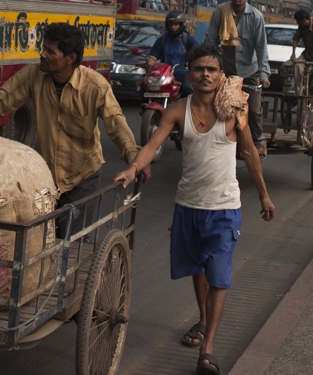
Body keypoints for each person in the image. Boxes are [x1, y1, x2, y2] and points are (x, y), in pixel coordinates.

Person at [113, 45, 275, 375]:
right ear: (188, 73)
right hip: (187, 206)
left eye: (212, 70)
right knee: (198, 269)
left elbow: (250, 154)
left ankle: (208, 349)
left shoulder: (233, 110)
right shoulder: (177, 110)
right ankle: (202, 319)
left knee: (218, 276)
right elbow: (153, 144)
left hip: (224, 208)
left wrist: (264, 196)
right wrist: (134, 168)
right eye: (198, 69)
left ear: (220, 75)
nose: (205, 74)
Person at [0, 22, 145, 220]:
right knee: (44, 239)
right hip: (46, 176)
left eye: (50, 51)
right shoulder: (34, 74)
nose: (42, 54)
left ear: (70, 58)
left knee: (74, 244)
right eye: (43, 48)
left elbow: (117, 126)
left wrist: (136, 162)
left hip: (83, 177)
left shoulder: (95, 86)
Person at [204, 0, 271, 152]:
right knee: (217, 105)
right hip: (228, 71)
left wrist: (264, 76)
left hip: (251, 72)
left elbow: (261, 49)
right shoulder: (220, 12)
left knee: (254, 111)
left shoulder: (256, 17)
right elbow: (211, 44)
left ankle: (259, 142)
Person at [147, 10, 200, 97]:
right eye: (170, 24)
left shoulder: (189, 40)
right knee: (145, 86)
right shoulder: (162, 40)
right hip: (164, 74)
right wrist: (148, 64)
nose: (173, 27)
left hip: (183, 73)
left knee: (187, 87)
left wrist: (191, 62)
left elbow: (197, 56)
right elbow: (153, 57)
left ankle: (187, 108)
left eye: (176, 24)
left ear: (181, 24)